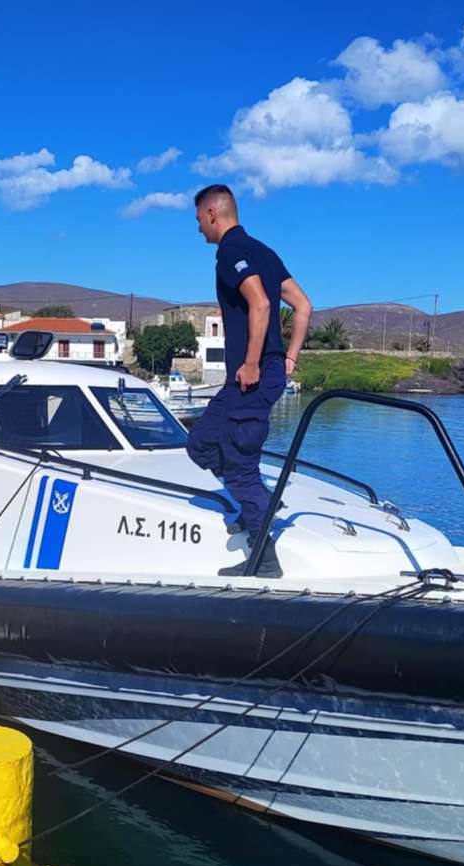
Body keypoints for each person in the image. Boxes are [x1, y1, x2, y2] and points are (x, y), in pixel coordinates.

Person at [187, 184, 312, 577]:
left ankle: (263, 560)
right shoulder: (265, 251)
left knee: (240, 469)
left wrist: (255, 361)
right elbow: (304, 305)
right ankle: (260, 501)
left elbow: (259, 302)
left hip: (251, 376)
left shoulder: (230, 252)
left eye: (198, 221)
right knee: (200, 442)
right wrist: (289, 357)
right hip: (255, 376)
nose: (198, 231)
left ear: (212, 214)